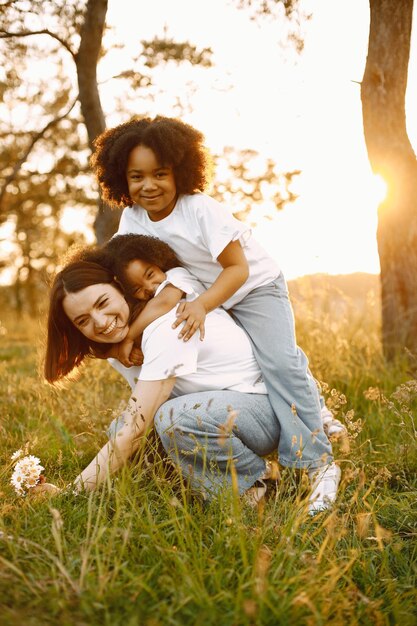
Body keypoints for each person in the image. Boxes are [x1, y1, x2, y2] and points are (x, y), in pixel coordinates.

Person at [90, 115, 344, 491]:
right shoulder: (133, 218)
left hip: (252, 287)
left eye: (160, 174)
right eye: (136, 176)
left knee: (277, 360)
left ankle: (317, 464)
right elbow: (113, 266)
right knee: (250, 360)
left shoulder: (198, 208)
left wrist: (202, 306)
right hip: (203, 292)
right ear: (121, 180)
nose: (149, 185)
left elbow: (237, 269)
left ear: (180, 171)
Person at [43, 243, 339, 512]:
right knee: (123, 428)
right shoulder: (121, 344)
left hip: (270, 407)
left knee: (173, 419)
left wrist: (70, 494)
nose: (101, 323)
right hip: (225, 409)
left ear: (120, 287)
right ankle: (197, 485)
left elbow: (137, 427)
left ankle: (258, 487)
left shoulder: (166, 325)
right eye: (83, 321)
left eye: (102, 303)